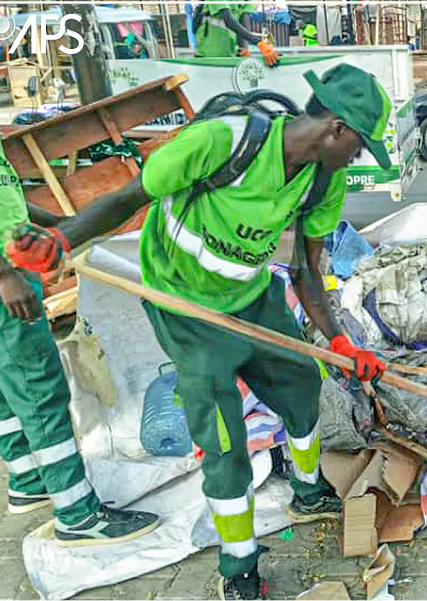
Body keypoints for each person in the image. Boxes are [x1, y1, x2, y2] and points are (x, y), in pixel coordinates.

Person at [7, 63, 393, 600]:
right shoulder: (221, 142)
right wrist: (63, 242)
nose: (355, 159)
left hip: (253, 299)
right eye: (357, 147)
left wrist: (339, 342)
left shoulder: (324, 179)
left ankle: (308, 491)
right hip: (187, 311)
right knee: (225, 442)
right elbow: (128, 198)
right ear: (339, 129)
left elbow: (306, 269)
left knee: (301, 386)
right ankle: (239, 569)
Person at [0, 155, 161, 546]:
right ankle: (77, 514)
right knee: (40, 391)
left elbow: (8, 193)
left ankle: (29, 479)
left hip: (14, 264)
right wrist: (5, 277)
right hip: (7, 279)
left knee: (9, 388)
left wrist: (58, 226)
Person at [193, 2, 280, 66]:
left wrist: (244, 48)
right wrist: (259, 43)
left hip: (230, 54)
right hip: (208, 55)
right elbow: (228, 20)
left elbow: (244, 20)